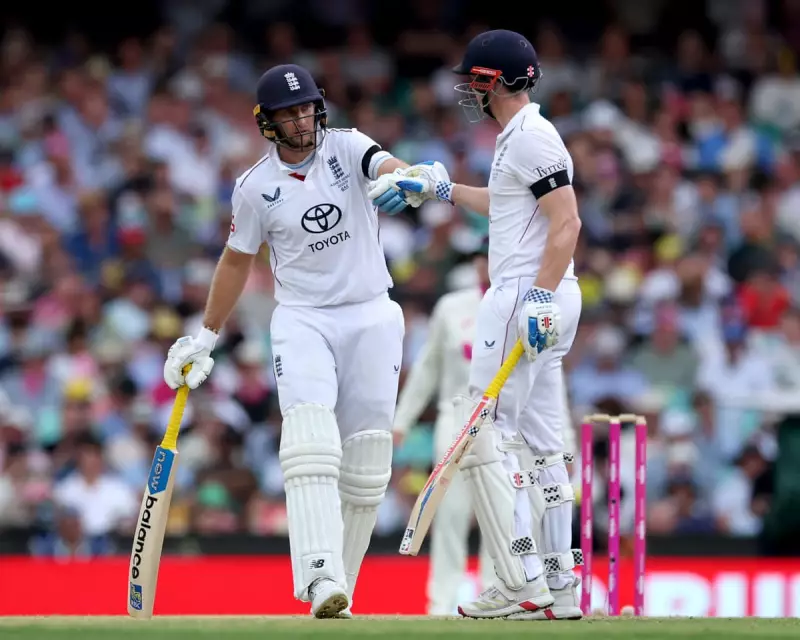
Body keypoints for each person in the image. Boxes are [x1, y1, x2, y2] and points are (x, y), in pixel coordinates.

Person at [162, 64, 422, 619]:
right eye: (289, 113)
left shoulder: (348, 147)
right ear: (268, 122)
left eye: (306, 108)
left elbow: (388, 166)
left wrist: (411, 178)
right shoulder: (256, 187)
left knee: (369, 459)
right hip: (303, 319)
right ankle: (319, 572)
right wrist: (205, 337)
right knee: (310, 441)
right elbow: (236, 263)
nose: (302, 119)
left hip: (373, 313)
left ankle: (340, 588)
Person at [377, 30, 584, 620]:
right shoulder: (519, 138)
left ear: (500, 80)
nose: (469, 87)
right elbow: (505, 204)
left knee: (484, 435)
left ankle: (518, 580)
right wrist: (442, 189)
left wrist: (538, 296)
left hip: (526, 292)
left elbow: (567, 223)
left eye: (477, 78)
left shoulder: (532, 137)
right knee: (542, 446)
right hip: (539, 292)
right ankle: (559, 587)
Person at [392, 242, 494, 615]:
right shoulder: (452, 307)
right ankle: (442, 601)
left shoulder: (519, 305)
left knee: (498, 518)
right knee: (448, 513)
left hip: (501, 425)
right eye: (481, 258)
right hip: (455, 419)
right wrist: (402, 418)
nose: (486, 265)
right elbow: (427, 367)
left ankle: (495, 595)